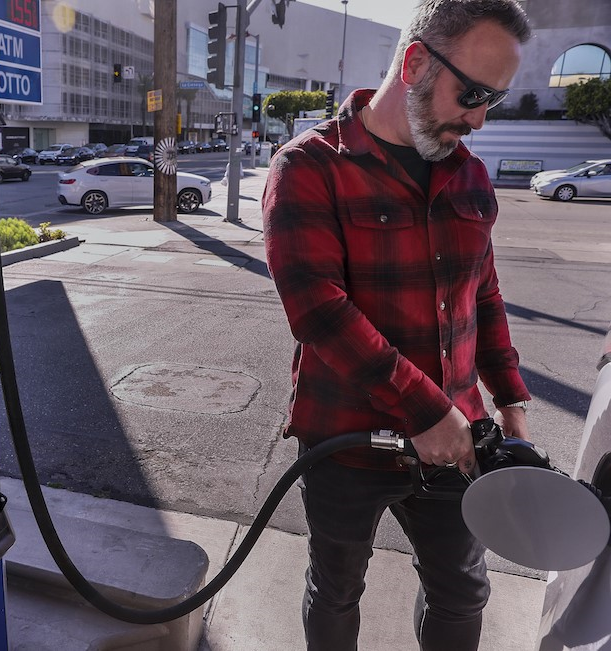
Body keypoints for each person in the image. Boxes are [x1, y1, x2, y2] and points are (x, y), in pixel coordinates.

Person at [260, 1, 532, 649]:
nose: (480, 119)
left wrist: (510, 396)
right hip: (344, 440)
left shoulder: (467, 173)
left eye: (494, 98)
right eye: (471, 93)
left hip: (457, 437)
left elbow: (482, 293)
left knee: (463, 589)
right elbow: (319, 312)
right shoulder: (308, 167)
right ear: (414, 62)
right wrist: (424, 409)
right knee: (337, 585)